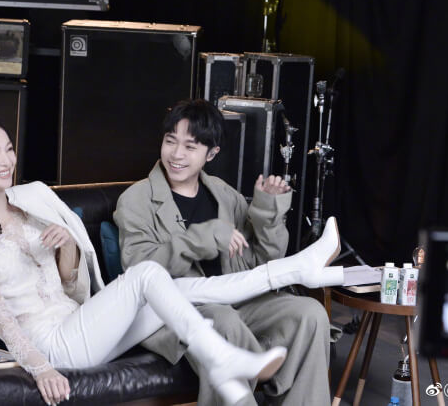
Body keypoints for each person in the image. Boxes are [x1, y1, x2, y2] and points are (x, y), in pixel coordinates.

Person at [0, 114, 343, 406]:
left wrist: (67, 247)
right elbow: (0, 317)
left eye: (8, 149)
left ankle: (290, 275)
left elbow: (69, 282)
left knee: (178, 289)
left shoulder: (31, 206)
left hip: (81, 324)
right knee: (148, 274)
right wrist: (41, 370)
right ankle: (287, 280)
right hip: (51, 345)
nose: (7, 161)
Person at [114, 99, 342, 405]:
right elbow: (139, 270)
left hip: (239, 302)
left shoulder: (223, 194)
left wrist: (267, 213)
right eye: (170, 141)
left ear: (211, 154)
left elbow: (261, 262)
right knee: (223, 321)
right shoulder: (136, 200)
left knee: (310, 314)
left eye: (190, 146)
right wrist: (202, 238)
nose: (176, 154)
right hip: (180, 312)